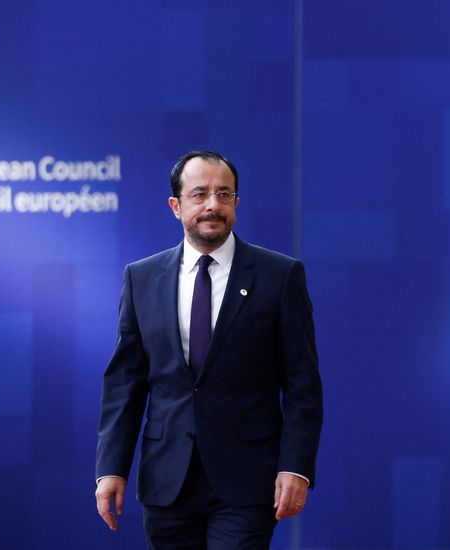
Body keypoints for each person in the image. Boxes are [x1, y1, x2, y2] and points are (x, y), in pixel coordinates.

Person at [95, 150, 323, 549]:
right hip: (167, 482)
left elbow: (302, 384)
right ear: (176, 205)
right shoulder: (141, 278)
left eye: (224, 194)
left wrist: (296, 467)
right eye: (199, 194)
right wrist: (110, 468)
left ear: (236, 202)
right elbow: (125, 385)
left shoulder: (280, 276)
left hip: (247, 480)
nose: (212, 205)